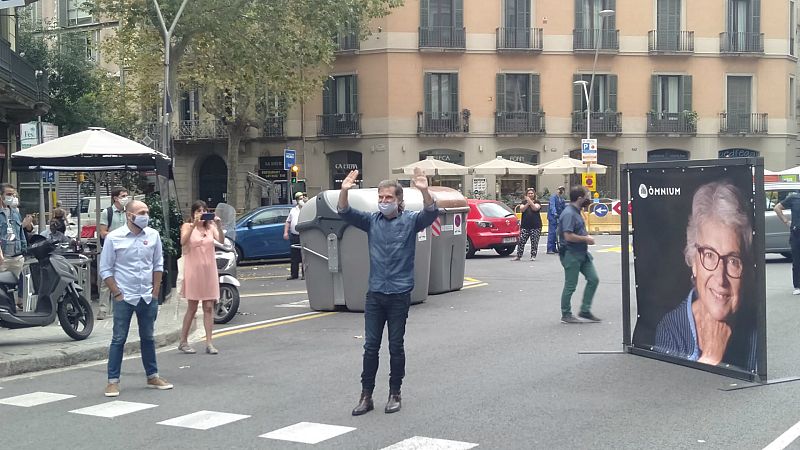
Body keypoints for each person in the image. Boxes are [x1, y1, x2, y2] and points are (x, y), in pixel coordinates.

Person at [338, 167, 438, 416]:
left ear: (399, 200)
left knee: (395, 346)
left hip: (399, 293)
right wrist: (343, 191)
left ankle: (395, 393)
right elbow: (344, 212)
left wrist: (425, 191)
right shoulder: (372, 221)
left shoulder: (411, 220)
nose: (384, 201)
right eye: (381, 198)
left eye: (389, 198)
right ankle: (366, 396)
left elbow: (431, 213)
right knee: (370, 346)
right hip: (375, 293)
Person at [655, 181, 756, 370]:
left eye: (733, 260)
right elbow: (671, 393)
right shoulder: (671, 328)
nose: (720, 278)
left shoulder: (756, 330)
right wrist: (710, 358)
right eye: (709, 255)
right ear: (694, 261)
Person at [100, 199, 173, 397]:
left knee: (148, 337)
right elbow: (105, 269)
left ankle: (152, 376)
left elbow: (158, 265)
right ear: (129, 215)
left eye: (146, 212)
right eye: (141, 212)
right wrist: (117, 293)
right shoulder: (114, 238)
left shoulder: (153, 235)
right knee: (118, 339)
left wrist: (155, 291)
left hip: (147, 296)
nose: (145, 216)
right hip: (125, 296)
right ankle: (112, 381)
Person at [178, 200, 223, 355]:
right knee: (192, 307)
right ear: (193, 213)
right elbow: (183, 242)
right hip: (194, 270)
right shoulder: (187, 226)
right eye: (198, 210)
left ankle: (209, 342)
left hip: (209, 269)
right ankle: (183, 340)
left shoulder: (210, 227)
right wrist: (193, 225)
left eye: (204, 210)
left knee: (209, 307)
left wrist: (219, 224)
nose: (202, 213)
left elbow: (221, 240)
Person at [557, 186, 600, 324]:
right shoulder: (569, 213)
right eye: (587, 196)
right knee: (571, 285)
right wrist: (586, 239)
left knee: (593, 279)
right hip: (571, 253)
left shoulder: (576, 211)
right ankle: (566, 314)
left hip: (582, 253)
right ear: (580, 198)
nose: (589, 198)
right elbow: (568, 236)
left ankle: (585, 310)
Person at [97, 187, 130, 320]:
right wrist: (117, 235)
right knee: (107, 279)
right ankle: (103, 310)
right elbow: (102, 232)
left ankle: (125, 307)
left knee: (126, 277)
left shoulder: (128, 212)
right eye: (123, 196)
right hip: (111, 250)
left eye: (126, 195)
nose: (125, 198)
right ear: (115, 198)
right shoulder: (107, 212)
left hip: (126, 250)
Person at [0, 184, 27, 311]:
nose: (12, 197)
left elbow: (20, 232)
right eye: (9, 194)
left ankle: (10, 310)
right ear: (1, 196)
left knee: (11, 286)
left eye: (14, 195)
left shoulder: (15, 213)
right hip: (3, 257)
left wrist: (23, 250)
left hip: (16, 257)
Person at [774, 191, 800, 294]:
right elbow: (777, 208)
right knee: (797, 259)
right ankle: (798, 286)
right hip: (796, 233)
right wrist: (786, 221)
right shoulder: (794, 198)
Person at [512, 188, 543, 261]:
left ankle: (533, 256)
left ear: (534, 194)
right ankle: (518, 256)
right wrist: (527, 203)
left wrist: (530, 202)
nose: (530, 194)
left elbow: (535, 208)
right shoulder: (523, 202)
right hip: (525, 226)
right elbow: (522, 209)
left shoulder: (537, 202)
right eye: (529, 193)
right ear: (526, 194)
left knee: (534, 242)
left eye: (532, 193)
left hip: (536, 226)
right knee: (521, 241)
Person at [284, 192, 307, 280]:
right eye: (300, 199)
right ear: (297, 200)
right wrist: (285, 232)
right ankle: (294, 274)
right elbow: (288, 221)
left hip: (303, 235)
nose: (301, 200)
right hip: (294, 235)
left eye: (302, 198)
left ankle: (305, 274)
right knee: (294, 256)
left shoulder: (306, 209)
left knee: (304, 255)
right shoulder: (293, 210)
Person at [547, 186, 566, 254]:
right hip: (553, 217)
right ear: (557, 190)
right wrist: (554, 213)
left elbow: (564, 208)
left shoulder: (561, 199)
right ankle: (549, 249)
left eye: (562, 190)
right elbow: (552, 206)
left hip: (559, 217)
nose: (561, 191)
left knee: (557, 233)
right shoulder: (553, 197)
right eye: (560, 190)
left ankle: (554, 248)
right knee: (552, 232)